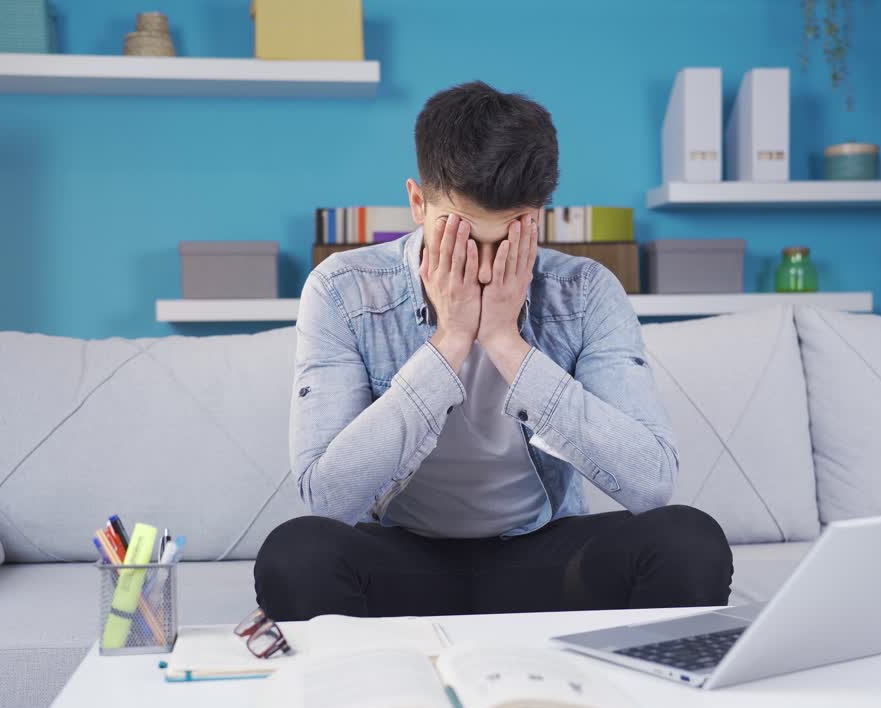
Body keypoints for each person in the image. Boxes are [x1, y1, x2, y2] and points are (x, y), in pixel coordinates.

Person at [254, 81, 732, 620]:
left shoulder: (586, 291)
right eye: (458, 236)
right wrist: (449, 342)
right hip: (404, 560)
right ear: (417, 202)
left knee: (688, 540)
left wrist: (507, 342)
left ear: (539, 218)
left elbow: (651, 484)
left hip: (542, 558)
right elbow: (327, 499)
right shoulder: (343, 289)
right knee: (295, 553)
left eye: (507, 240)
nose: (482, 267)